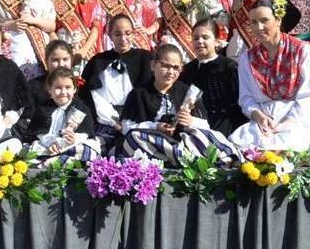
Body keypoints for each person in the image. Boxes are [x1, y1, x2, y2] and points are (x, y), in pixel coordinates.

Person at [120, 44, 239, 165]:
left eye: (176, 67)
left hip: (183, 141)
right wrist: (155, 127)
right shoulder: (139, 93)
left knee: (208, 134)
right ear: (153, 65)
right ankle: (185, 160)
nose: (171, 72)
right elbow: (126, 127)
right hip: (152, 143)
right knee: (134, 137)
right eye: (165, 66)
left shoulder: (187, 91)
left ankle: (184, 159)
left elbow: (205, 125)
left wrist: (190, 121)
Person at [230, 0, 310, 150]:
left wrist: (288, 122)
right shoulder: (248, 58)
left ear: (278, 20)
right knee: (240, 143)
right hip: (264, 122)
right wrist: (258, 116)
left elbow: (307, 97)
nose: (258, 27)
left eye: (264, 20)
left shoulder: (302, 51)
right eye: (253, 22)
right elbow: (246, 98)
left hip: (297, 121)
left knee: (291, 146)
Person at [80, 15, 153, 150]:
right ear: (110, 36)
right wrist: (113, 120)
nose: (123, 39)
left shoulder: (145, 58)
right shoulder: (98, 61)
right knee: (94, 149)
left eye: (128, 33)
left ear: (134, 34)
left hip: (137, 119)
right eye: (117, 34)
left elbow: (152, 92)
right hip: (107, 121)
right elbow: (93, 95)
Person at [16, 67, 98, 164]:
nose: (63, 92)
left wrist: (74, 139)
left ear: (74, 89)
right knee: (27, 151)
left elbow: (86, 133)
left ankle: (54, 162)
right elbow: (39, 132)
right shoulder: (43, 108)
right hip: (47, 145)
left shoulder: (81, 108)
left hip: (72, 145)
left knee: (86, 150)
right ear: (50, 90)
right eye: (58, 88)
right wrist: (50, 142)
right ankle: (53, 162)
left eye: (68, 87)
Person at [179, 19, 243, 136]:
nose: (200, 41)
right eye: (196, 38)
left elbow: (237, 105)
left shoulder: (229, 67)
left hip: (224, 127)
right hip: (191, 125)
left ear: (216, 41)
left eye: (205, 37)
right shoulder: (188, 69)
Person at [27, 40, 74, 109]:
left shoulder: (78, 84)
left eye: (65, 59)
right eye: (55, 60)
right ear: (46, 61)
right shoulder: (34, 87)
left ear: (72, 60)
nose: (61, 64)